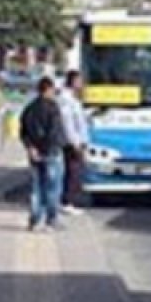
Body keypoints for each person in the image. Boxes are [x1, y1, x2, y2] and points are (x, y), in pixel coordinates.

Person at [19, 77, 67, 233]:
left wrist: (31, 147)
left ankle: (34, 220)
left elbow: (23, 132)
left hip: (34, 153)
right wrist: (47, 149)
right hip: (51, 152)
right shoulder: (53, 108)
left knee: (36, 188)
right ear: (48, 90)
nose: (54, 93)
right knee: (52, 187)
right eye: (53, 90)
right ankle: (51, 220)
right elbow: (54, 132)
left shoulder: (29, 108)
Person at [57, 70, 89, 215]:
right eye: (79, 81)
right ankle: (67, 202)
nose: (82, 84)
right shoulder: (66, 99)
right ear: (73, 81)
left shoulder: (74, 98)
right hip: (72, 143)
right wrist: (75, 143)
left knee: (76, 172)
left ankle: (70, 201)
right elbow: (67, 123)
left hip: (77, 141)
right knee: (73, 172)